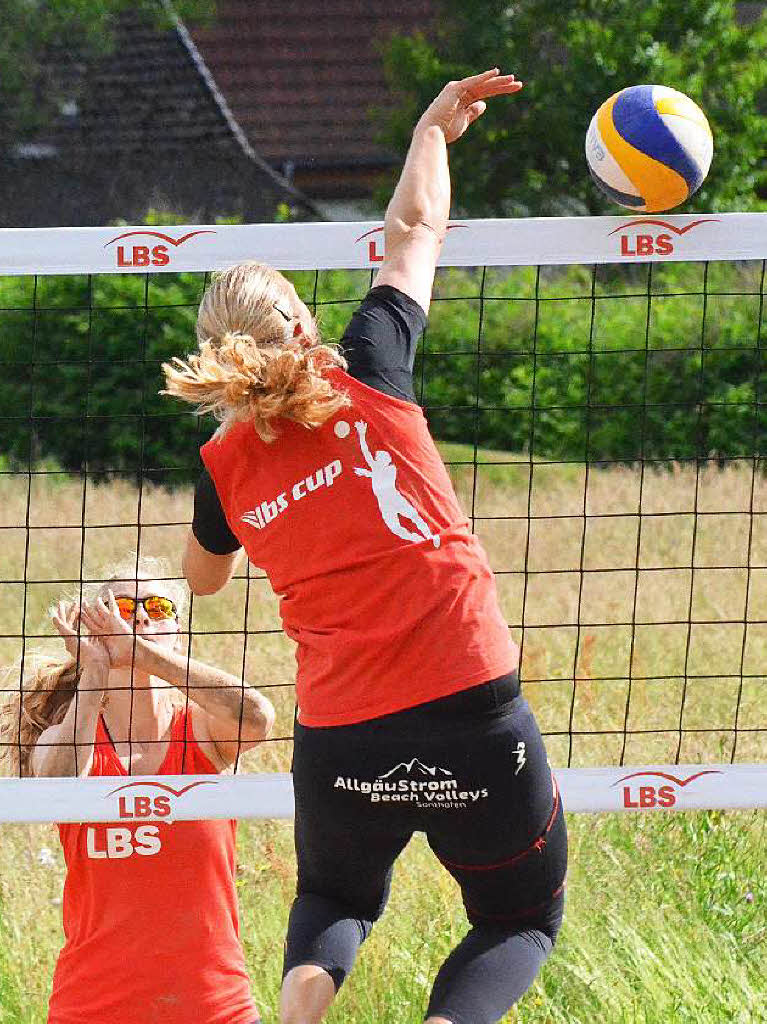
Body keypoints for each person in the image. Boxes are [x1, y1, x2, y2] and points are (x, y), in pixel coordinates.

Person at [162, 69, 567, 1024]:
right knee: (519, 921)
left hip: (343, 732)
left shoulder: (223, 462)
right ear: (301, 326)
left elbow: (201, 582)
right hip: (470, 702)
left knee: (334, 902)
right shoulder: (373, 368)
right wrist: (432, 128)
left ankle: (301, 1013)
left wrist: (255, 504)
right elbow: (413, 233)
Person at [0, 556, 274, 1024]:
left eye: (158, 607)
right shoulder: (66, 734)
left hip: (214, 1008)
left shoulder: (203, 730)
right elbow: (57, 791)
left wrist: (146, 655)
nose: (141, 616)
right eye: (123, 607)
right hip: (92, 1008)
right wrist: (93, 675)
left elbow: (259, 718)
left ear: (179, 633)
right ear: (96, 627)